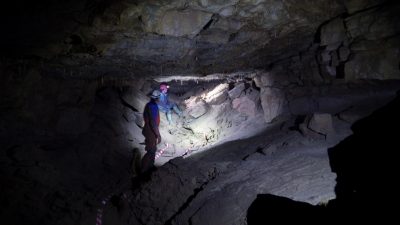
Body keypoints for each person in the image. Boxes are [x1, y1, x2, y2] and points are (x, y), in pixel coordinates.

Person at [140, 90, 162, 174]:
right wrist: (158, 135)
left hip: (149, 130)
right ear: (157, 98)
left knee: (153, 149)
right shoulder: (152, 106)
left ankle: (150, 167)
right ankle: (143, 171)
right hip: (150, 131)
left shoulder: (149, 105)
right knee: (151, 151)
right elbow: (153, 122)